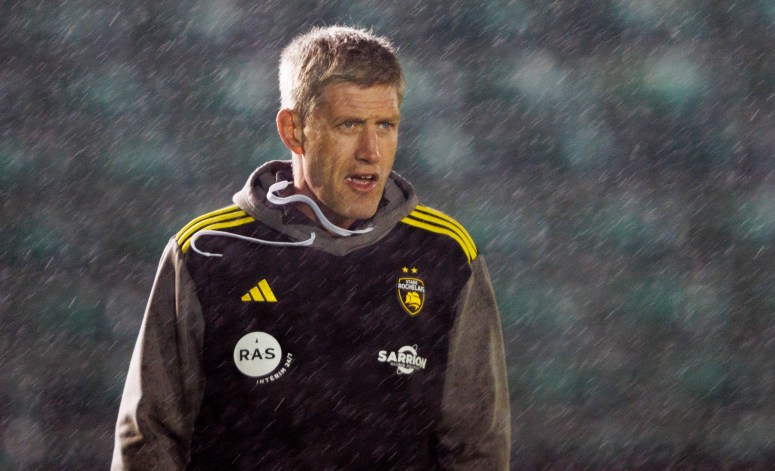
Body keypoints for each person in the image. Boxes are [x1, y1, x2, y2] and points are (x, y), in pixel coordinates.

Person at [112, 26, 510, 470]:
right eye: (348, 125)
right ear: (293, 129)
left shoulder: (446, 254)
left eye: (386, 126)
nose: (371, 151)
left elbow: (476, 447)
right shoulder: (207, 253)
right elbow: (150, 437)